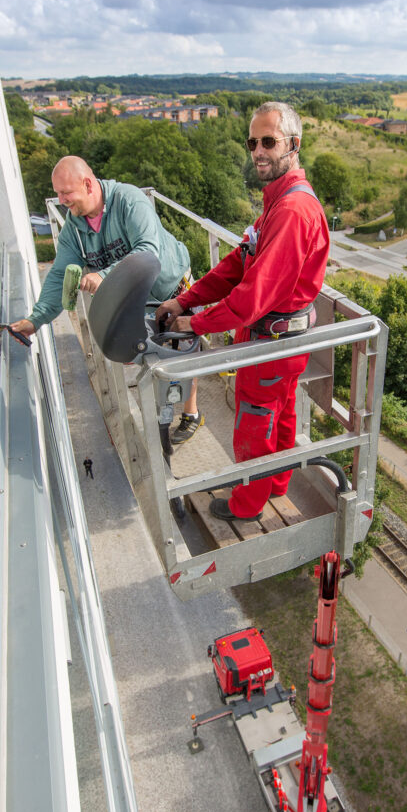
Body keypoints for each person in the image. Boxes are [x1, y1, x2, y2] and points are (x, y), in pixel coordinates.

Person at [156, 101, 329, 521]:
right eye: (253, 142)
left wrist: (193, 322)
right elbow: (238, 263)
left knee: (255, 423)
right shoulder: (280, 201)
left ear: (294, 144)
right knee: (281, 415)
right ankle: (276, 484)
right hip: (285, 341)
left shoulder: (290, 211)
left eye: (269, 141)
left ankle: (247, 504)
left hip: (270, 340)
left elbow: (252, 297)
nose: (258, 151)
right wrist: (187, 298)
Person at [10, 156, 203, 443]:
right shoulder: (74, 230)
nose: (61, 200)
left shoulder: (129, 201)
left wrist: (105, 275)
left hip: (171, 287)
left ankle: (191, 412)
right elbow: (58, 276)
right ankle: (160, 413)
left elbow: (149, 251)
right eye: (59, 193)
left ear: (88, 184)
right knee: (151, 356)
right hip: (136, 299)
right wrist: (35, 320)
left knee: (184, 351)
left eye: (66, 193)